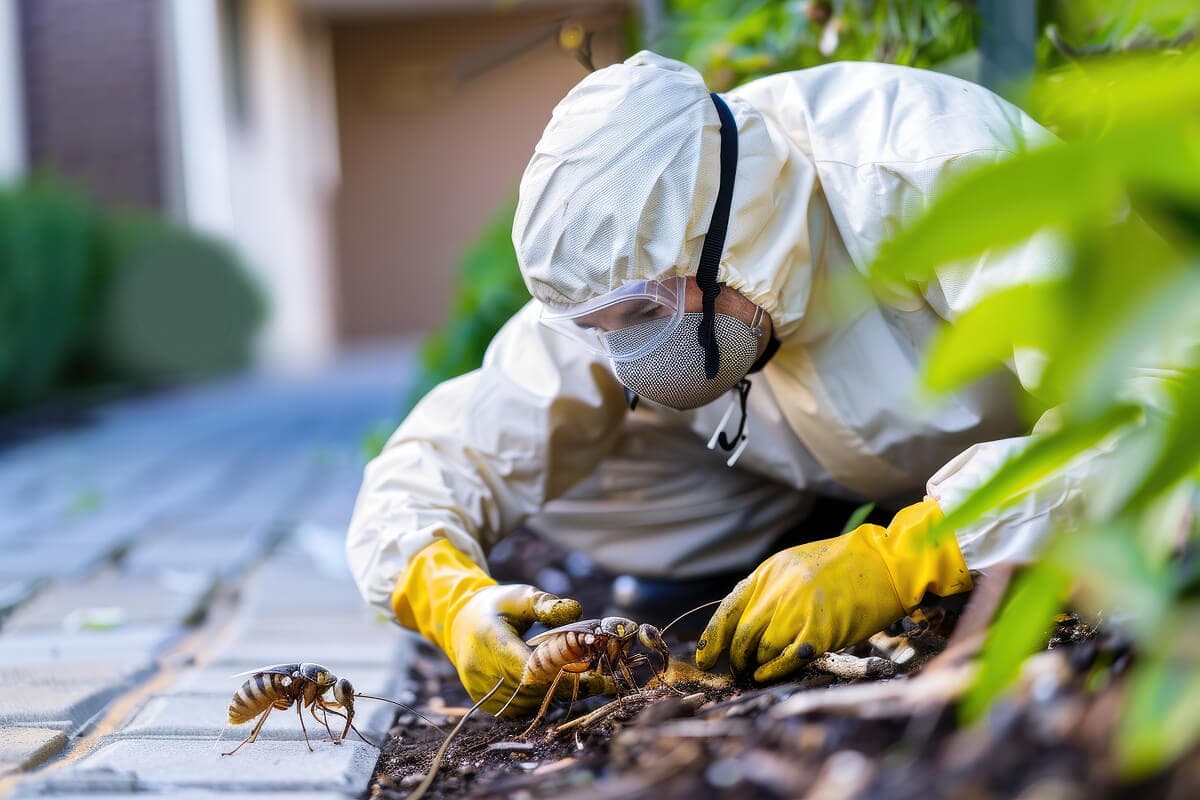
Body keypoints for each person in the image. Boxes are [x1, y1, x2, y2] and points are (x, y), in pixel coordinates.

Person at [346, 51, 1074, 714]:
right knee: (565, 435)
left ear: (724, 234)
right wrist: (446, 597)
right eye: (605, 322)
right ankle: (768, 570)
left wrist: (910, 554)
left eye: (639, 314)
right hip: (814, 468)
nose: (629, 353)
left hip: (1009, 439)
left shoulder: (926, 163)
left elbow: (1160, 409)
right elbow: (442, 459)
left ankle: (937, 549)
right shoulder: (625, 254)